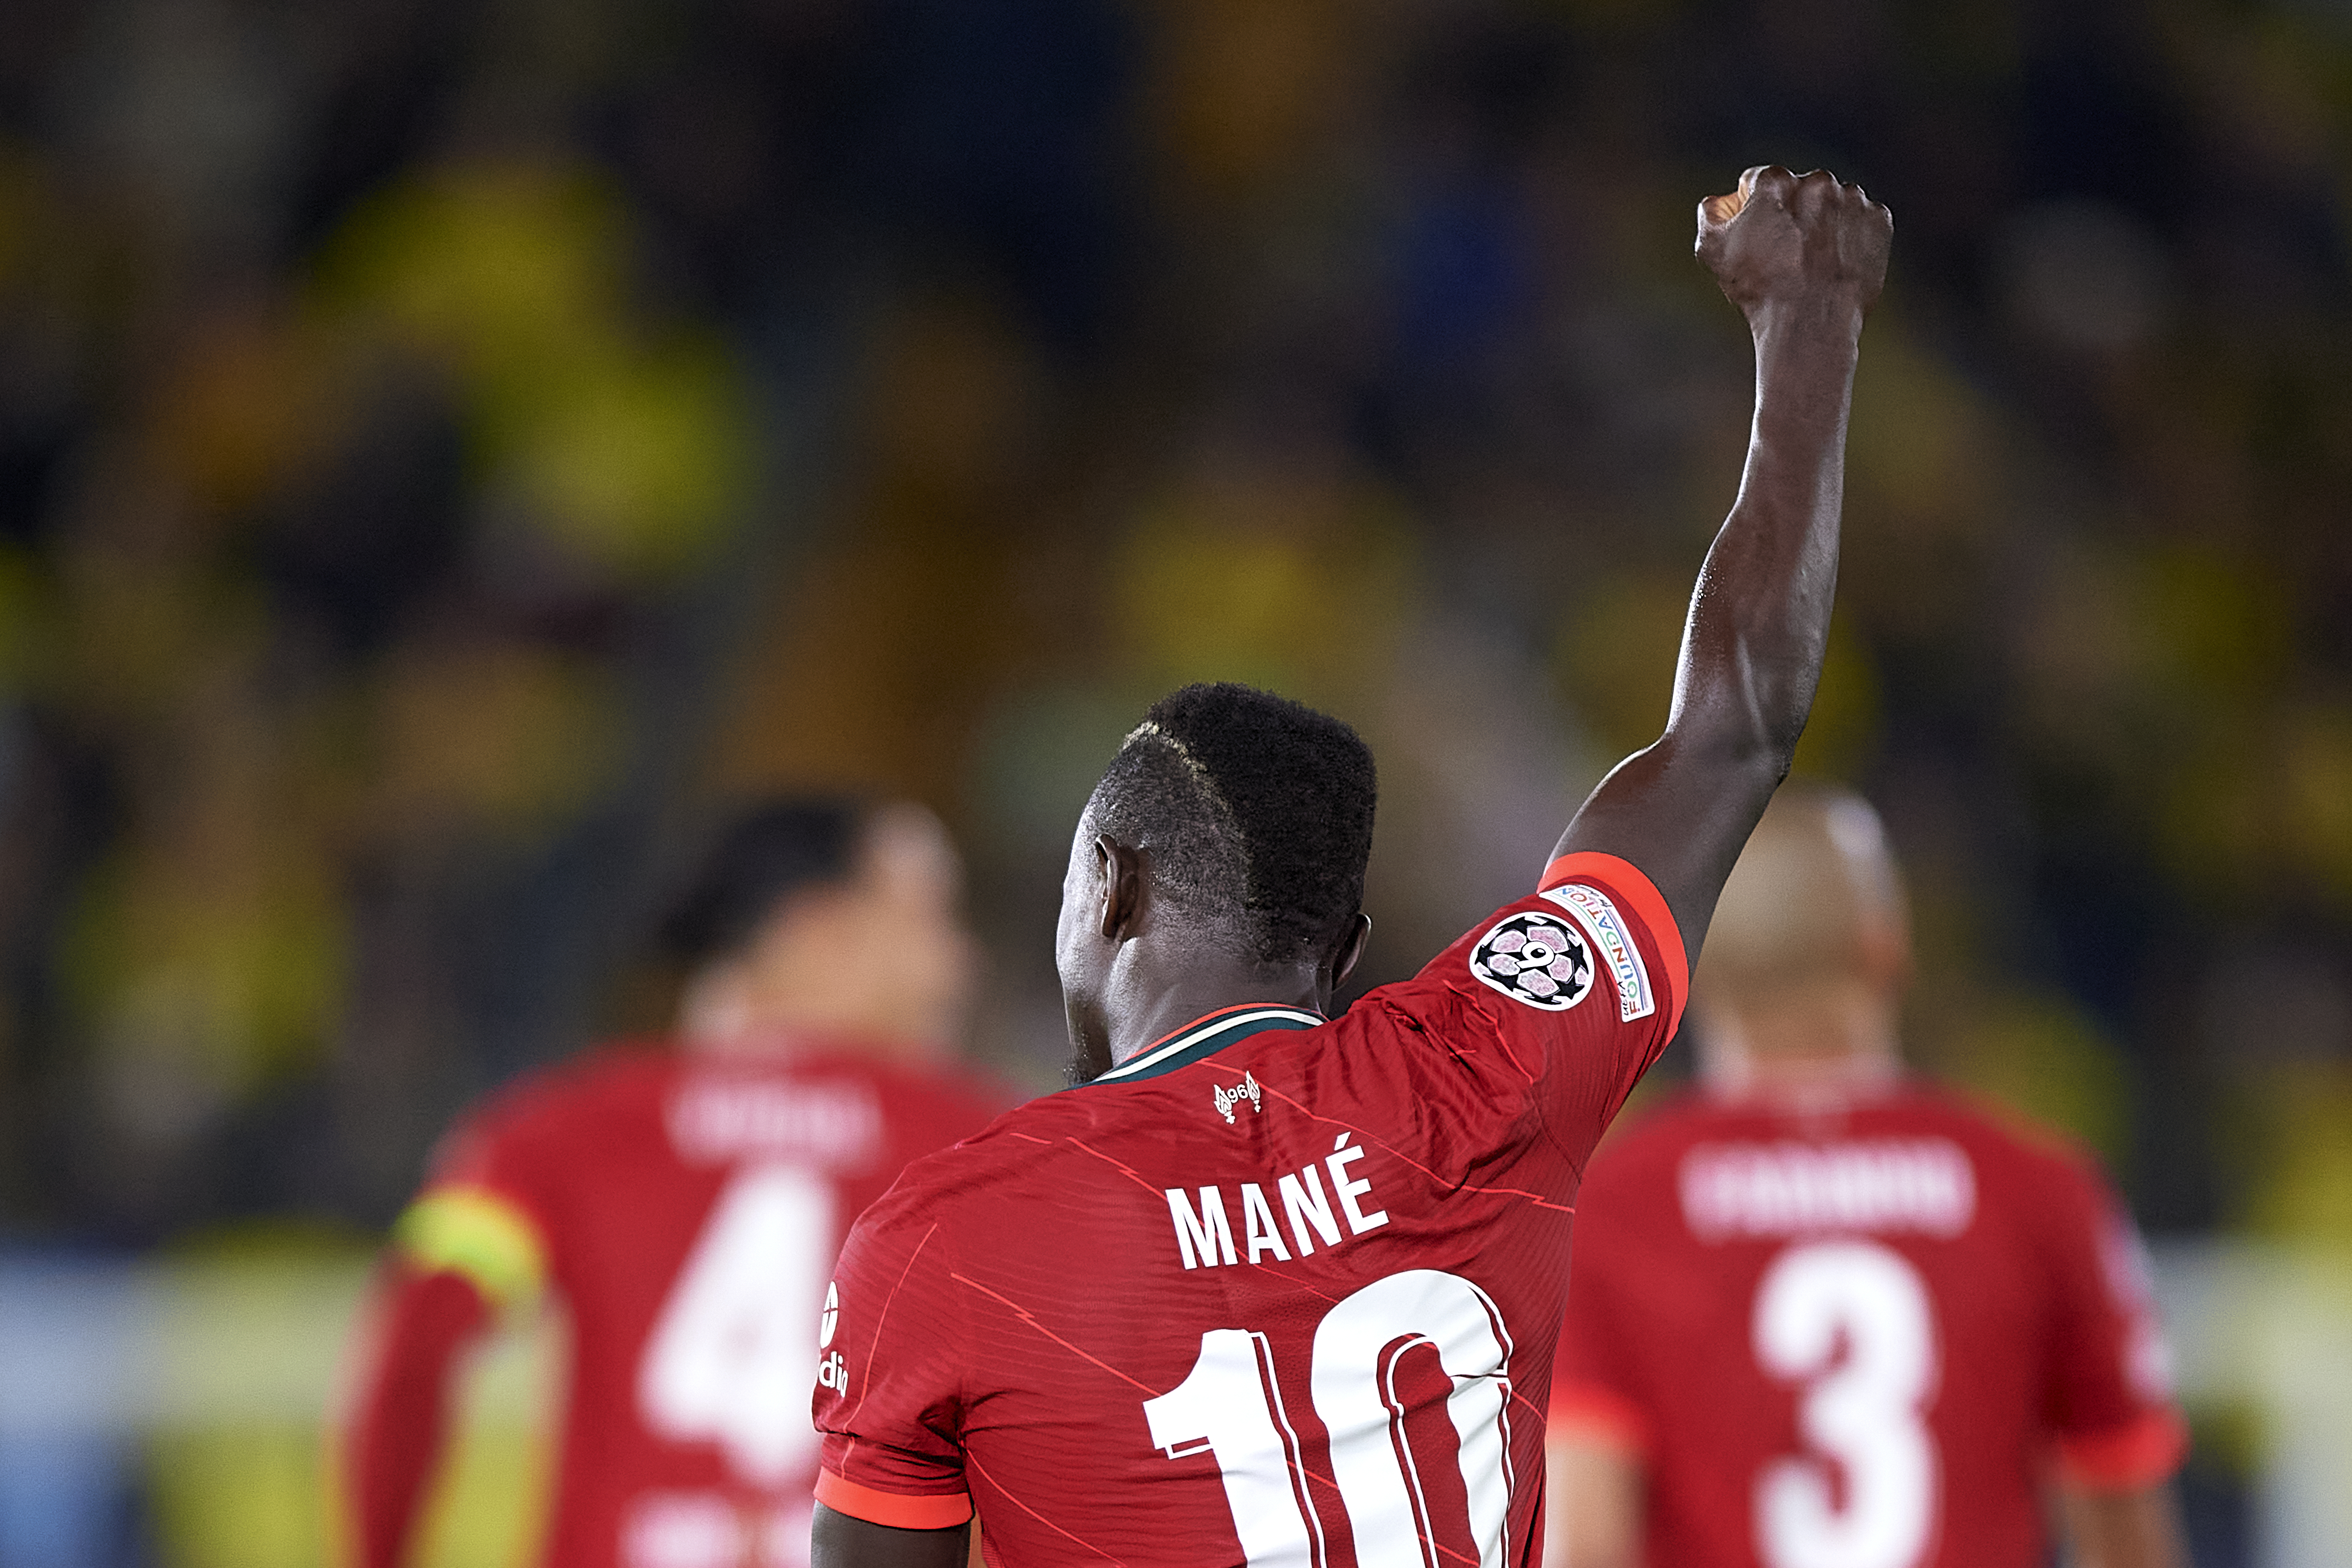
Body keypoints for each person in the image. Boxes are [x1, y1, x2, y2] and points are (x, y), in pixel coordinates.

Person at [808, 166, 1893, 1568]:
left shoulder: (946, 1234)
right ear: (1345, 944)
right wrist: (1809, 321)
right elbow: (1731, 733)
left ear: (1109, 890)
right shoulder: (1485, 1068)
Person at [339, 798, 1004, 1568]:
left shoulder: (551, 1133)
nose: (961, 964)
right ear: (816, 933)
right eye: (931, 921)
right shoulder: (991, 1144)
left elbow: (416, 1340)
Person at [1542, 783, 2190, 1568]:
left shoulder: (1610, 1206)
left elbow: (1587, 1544)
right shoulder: (2040, 1187)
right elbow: (2128, 1530)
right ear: (1887, 949)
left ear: (1695, 970)